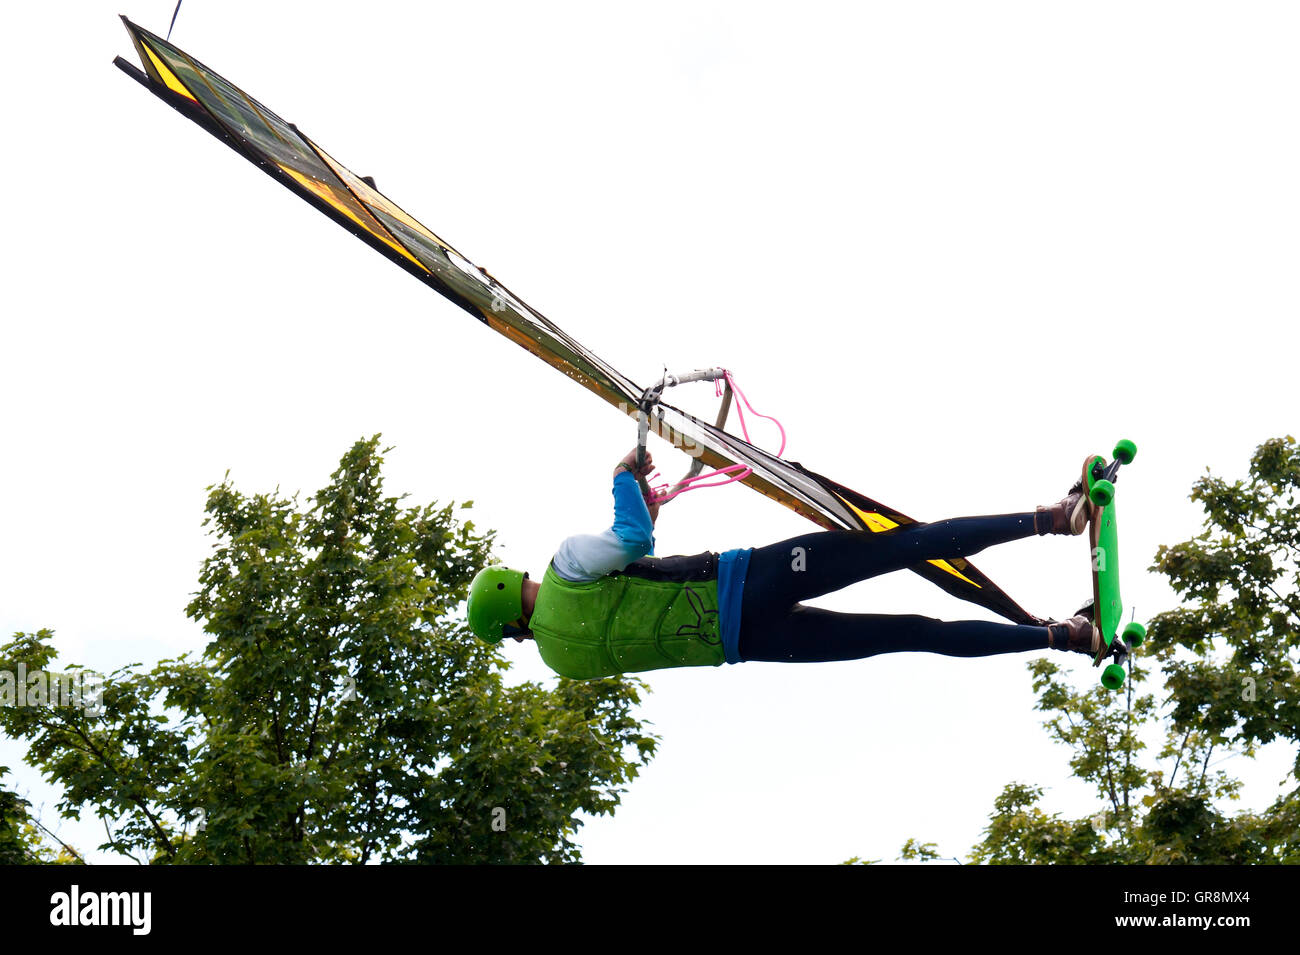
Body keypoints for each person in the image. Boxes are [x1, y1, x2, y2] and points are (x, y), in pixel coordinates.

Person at [466, 448, 1102, 679]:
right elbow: (630, 542)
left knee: (914, 634)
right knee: (903, 543)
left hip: (753, 643)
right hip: (749, 580)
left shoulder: (565, 660)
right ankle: (1054, 520)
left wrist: (648, 516)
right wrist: (621, 479)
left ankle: (1063, 637)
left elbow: (632, 598)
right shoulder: (564, 566)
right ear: (505, 580)